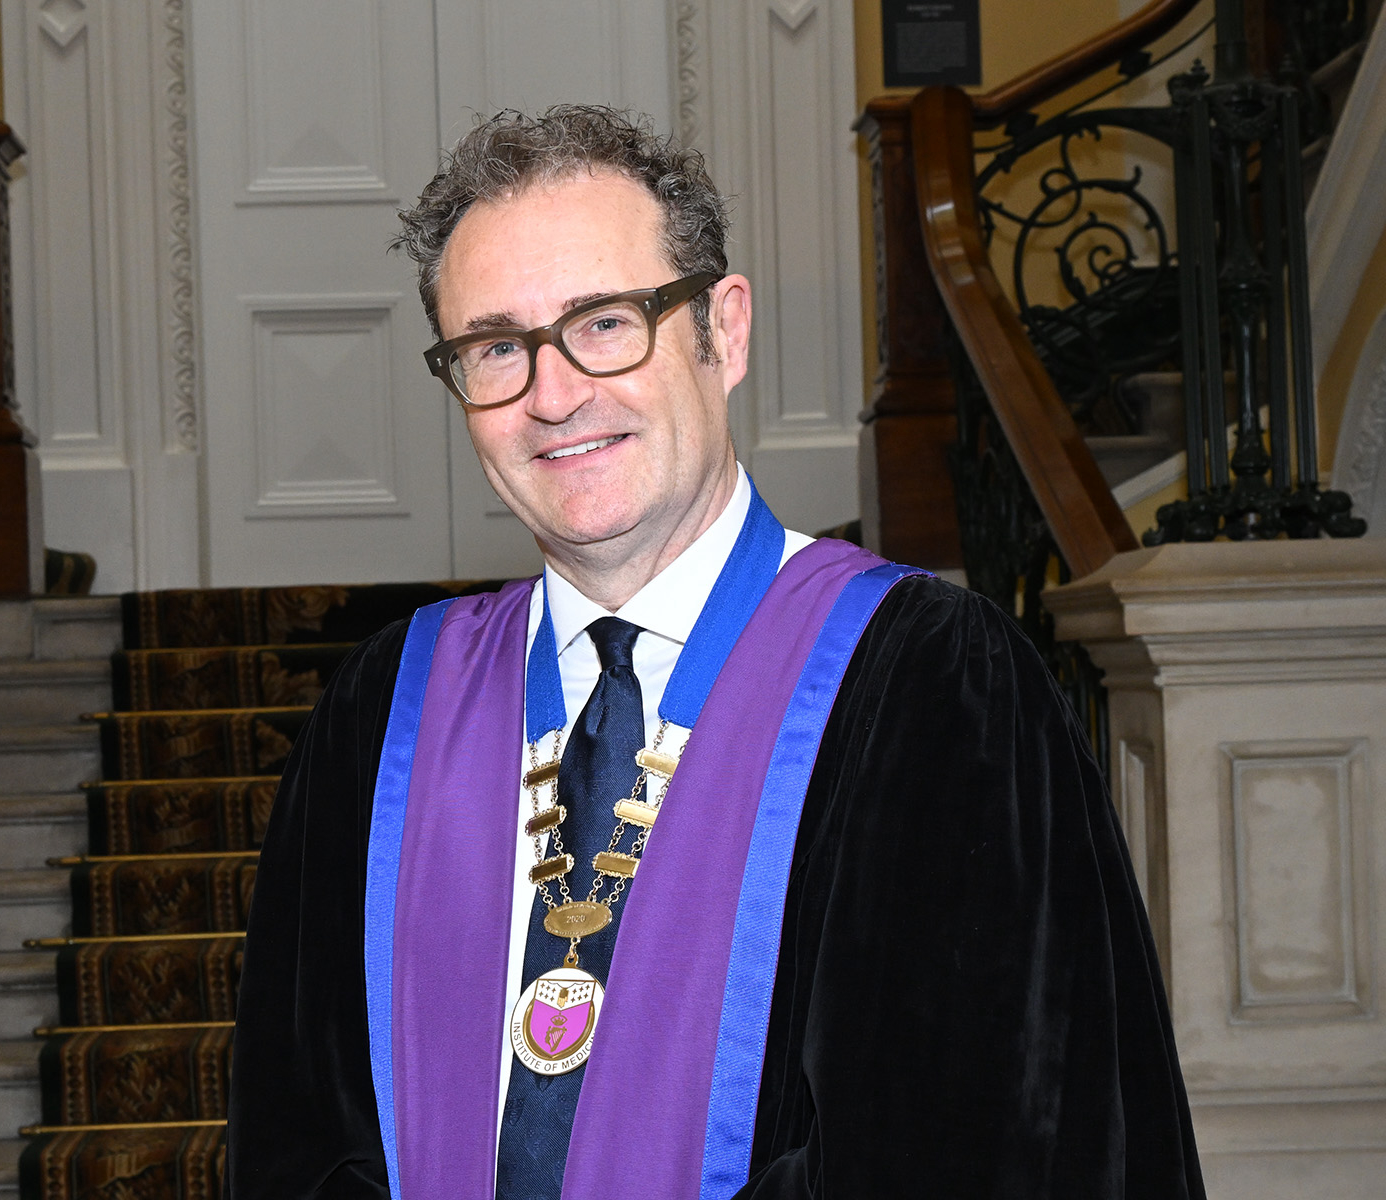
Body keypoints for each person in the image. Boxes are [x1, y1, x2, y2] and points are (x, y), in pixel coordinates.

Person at [226, 105, 1204, 1200]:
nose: (553, 395)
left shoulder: (931, 685)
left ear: (722, 332)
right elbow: (295, 1140)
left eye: (604, 322)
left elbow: (979, 1151)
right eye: (497, 346)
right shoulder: (387, 712)